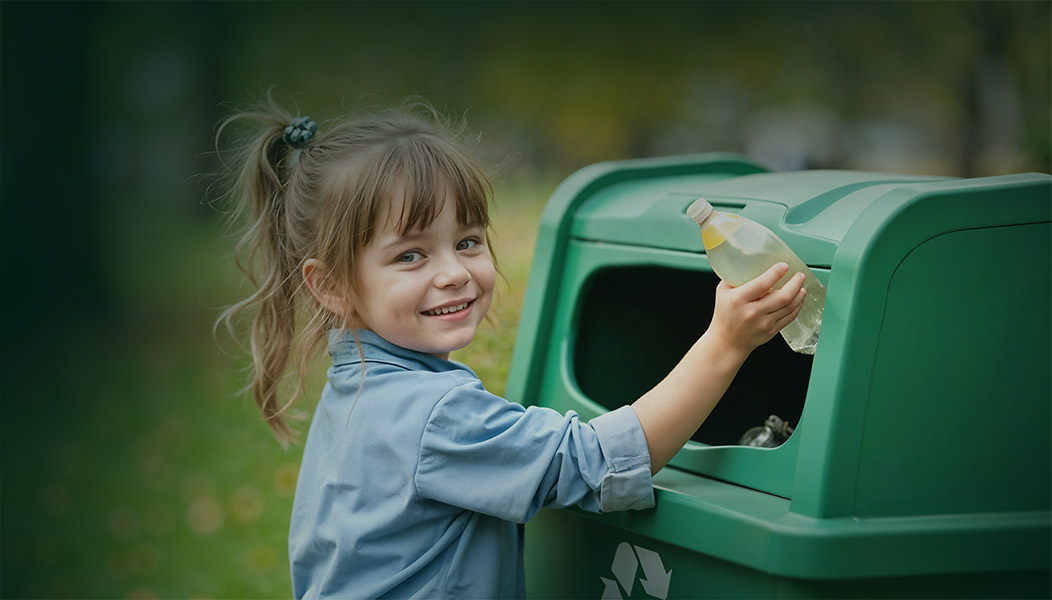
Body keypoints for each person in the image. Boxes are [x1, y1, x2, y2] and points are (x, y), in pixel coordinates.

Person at [215, 94, 806, 599]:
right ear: (332, 285)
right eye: (411, 255)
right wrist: (726, 343)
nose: (454, 272)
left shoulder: (362, 387)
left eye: (468, 241)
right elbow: (597, 464)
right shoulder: (433, 414)